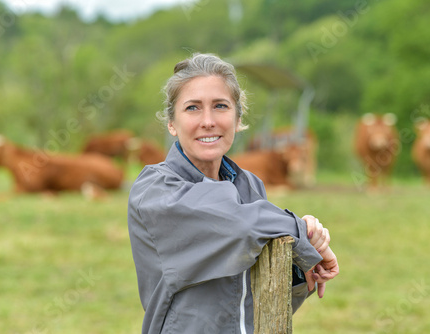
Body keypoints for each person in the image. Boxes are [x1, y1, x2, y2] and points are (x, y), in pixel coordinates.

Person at [127, 53, 339, 334]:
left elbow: (263, 294)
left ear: (238, 119)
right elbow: (239, 224)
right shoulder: (155, 190)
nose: (208, 121)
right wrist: (301, 230)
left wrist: (300, 266)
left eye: (220, 106)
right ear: (172, 123)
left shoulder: (249, 185)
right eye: (192, 108)